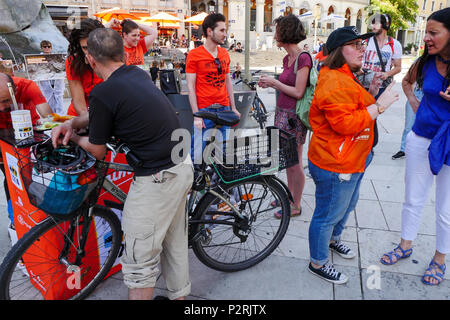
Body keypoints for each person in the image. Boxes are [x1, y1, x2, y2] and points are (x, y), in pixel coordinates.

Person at [51, 28, 194, 300]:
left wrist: (74, 139)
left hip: (158, 178)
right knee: (173, 245)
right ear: (122, 53)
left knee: (139, 260)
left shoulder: (104, 92)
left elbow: (97, 150)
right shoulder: (136, 75)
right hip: (181, 165)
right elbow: (97, 115)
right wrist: (72, 123)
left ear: (91, 60)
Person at [307, 26, 399, 284]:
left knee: (345, 206)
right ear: (339, 51)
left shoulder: (343, 74)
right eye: (356, 45)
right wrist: (379, 106)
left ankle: (333, 241)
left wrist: (372, 91)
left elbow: (353, 106)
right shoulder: (333, 78)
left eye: (362, 45)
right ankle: (318, 261)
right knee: (327, 214)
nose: (362, 49)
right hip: (336, 162)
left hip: (352, 157)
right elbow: (344, 124)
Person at [380, 7, 450, 286]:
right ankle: (405, 244)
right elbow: (407, 82)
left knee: (445, 208)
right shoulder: (426, 61)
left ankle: (440, 258)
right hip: (421, 137)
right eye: (426, 33)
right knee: (413, 197)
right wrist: (414, 104)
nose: (427, 39)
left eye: (433, 33)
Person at [257, 14, 311, 218]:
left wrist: (274, 82)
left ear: (286, 32)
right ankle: (289, 196)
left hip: (294, 116)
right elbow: (286, 86)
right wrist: (271, 83)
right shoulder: (287, 58)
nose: (274, 35)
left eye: (277, 30)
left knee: (295, 160)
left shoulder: (303, 58)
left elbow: (298, 92)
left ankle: (295, 204)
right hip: (282, 113)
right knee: (287, 159)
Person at [186, 13, 240, 164]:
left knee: (225, 154)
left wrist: (233, 107)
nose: (225, 34)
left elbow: (228, 81)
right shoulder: (194, 55)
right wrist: (196, 115)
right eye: (222, 30)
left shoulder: (224, 53)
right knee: (196, 153)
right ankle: (192, 186)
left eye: (225, 30)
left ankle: (227, 187)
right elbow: (190, 86)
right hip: (204, 110)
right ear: (209, 31)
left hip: (224, 108)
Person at [0, 73, 52, 227]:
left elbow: (47, 113)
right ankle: (15, 216)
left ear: (15, 90)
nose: (2, 108)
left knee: (36, 176)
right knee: (11, 178)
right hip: (4, 140)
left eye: (5, 101)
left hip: (30, 137)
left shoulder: (27, 86)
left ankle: (41, 215)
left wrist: (56, 124)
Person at [360, 13, 403, 148]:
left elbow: (398, 67)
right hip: (363, 84)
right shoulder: (366, 41)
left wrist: (387, 74)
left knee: (373, 113)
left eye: (376, 23)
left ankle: (369, 142)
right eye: (372, 23)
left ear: (386, 25)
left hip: (381, 87)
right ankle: (366, 141)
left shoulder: (394, 44)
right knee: (365, 113)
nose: (372, 26)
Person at [65, 18, 105, 117]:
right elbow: (78, 100)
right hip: (80, 116)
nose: (90, 52)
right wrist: (87, 120)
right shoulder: (73, 61)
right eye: (85, 48)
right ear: (79, 46)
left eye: (93, 46)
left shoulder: (110, 58)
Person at [391, 59, 424, 160]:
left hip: (436, 98)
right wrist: (411, 98)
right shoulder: (421, 60)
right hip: (418, 93)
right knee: (409, 126)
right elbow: (407, 80)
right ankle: (403, 149)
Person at [37, 40, 66, 115]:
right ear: (41, 48)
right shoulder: (38, 58)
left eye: (49, 47)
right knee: (49, 99)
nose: (47, 48)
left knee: (59, 98)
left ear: (51, 48)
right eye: (45, 47)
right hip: (46, 82)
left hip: (56, 81)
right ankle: (52, 116)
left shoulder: (57, 57)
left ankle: (61, 116)